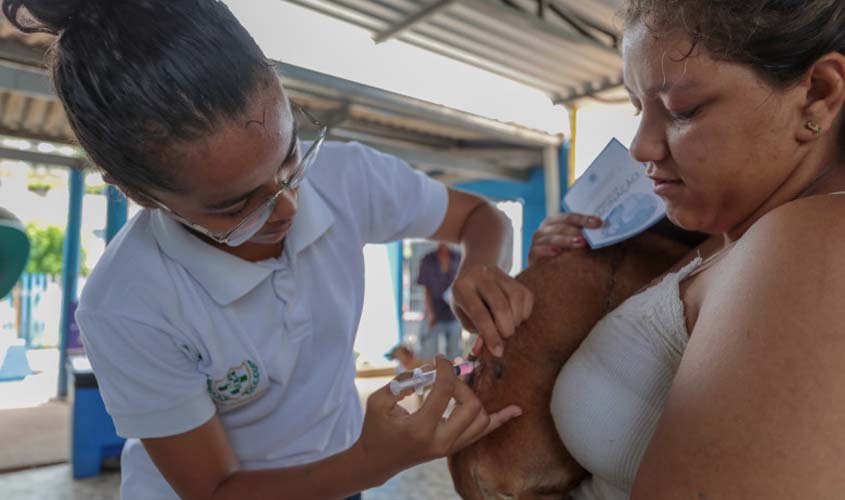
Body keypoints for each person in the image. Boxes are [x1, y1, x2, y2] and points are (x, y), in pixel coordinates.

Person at [1, 1, 536, 498]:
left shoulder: (346, 177)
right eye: (236, 206)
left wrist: (482, 269)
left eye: (289, 159)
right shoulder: (129, 304)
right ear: (137, 194)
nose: (288, 211)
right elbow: (215, 490)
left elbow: (477, 216)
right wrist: (375, 461)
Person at [529, 1, 845, 498]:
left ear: (819, 94)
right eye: (637, 109)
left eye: (683, 110)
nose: (640, 146)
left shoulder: (813, 247)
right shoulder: (725, 235)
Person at [416, 243, 463, 361]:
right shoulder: (428, 259)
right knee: (429, 353)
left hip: (454, 314)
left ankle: (453, 378)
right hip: (434, 314)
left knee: (454, 353)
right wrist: (430, 313)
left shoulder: (459, 257)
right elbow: (426, 289)